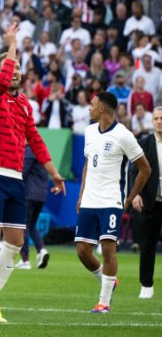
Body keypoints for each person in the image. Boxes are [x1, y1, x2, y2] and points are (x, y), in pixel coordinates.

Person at [0, 23, 65, 323]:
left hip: (14, 177)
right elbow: (2, 75)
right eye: (12, 66)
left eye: (20, 67)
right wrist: (11, 44)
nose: (16, 71)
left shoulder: (24, 104)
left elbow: (35, 139)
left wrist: (54, 172)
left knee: (15, 241)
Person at [76, 91, 150, 313]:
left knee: (108, 249)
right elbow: (87, 165)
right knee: (82, 250)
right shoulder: (89, 131)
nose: (89, 108)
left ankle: (104, 302)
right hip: (89, 200)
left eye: (92, 104)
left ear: (102, 108)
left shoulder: (123, 135)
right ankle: (107, 279)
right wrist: (81, 195)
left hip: (111, 200)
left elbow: (145, 168)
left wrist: (130, 197)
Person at [132, 106, 162, 299]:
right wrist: (135, 194)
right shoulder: (143, 144)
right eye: (156, 119)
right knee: (147, 244)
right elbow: (133, 171)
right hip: (151, 201)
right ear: (152, 122)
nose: (159, 121)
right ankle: (146, 285)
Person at [17, 146, 51, 270]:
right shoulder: (41, 150)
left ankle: (25, 260)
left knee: (23, 226)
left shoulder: (30, 150)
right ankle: (41, 250)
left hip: (29, 194)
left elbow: (23, 172)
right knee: (31, 226)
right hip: (41, 195)